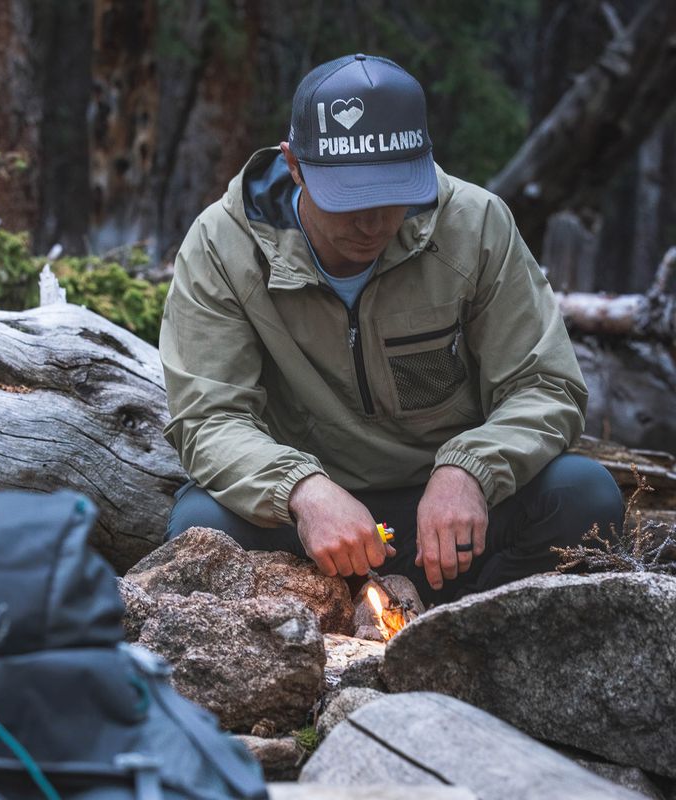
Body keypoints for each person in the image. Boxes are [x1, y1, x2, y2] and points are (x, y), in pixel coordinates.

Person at [159, 53, 623, 607]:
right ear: (295, 165)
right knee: (201, 526)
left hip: (449, 518)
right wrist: (299, 491)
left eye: (390, 195)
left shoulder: (475, 225)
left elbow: (547, 386)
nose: (372, 222)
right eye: (348, 199)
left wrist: (470, 469)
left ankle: (473, 632)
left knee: (584, 495)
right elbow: (210, 418)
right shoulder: (222, 245)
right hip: (312, 522)